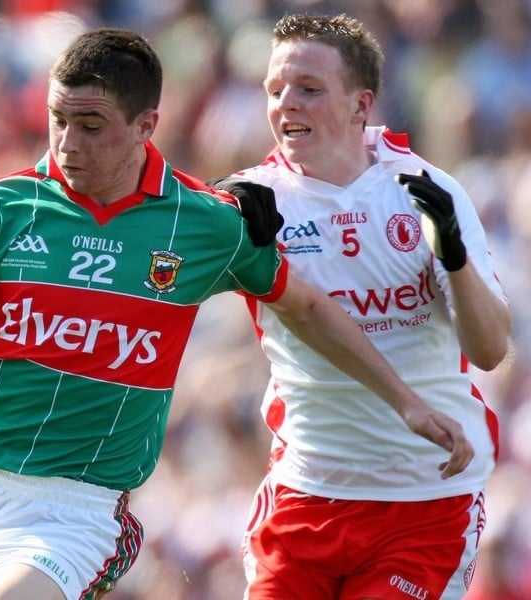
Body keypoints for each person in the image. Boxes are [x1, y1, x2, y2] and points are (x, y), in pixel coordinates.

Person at [0, 27, 473, 600]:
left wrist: (405, 401)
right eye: (58, 119)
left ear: (146, 124)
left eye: (91, 125)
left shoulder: (204, 224)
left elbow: (309, 309)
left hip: (77, 509)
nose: (67, 142)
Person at [210, 13, 512, 600]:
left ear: (360, 104)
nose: (286, 105)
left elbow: (490, 349)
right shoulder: (247, 204)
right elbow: (156, 282)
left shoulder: (429, 190)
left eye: (309, 89)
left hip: (426, 500)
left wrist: (452, 257)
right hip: (305, 492)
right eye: (275, 90)